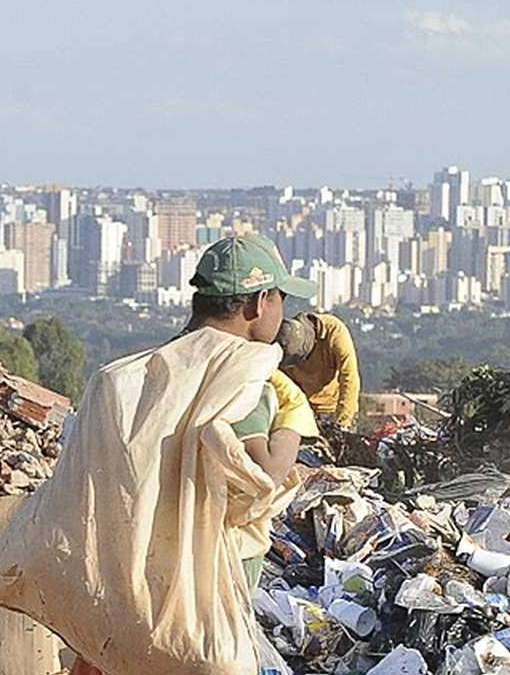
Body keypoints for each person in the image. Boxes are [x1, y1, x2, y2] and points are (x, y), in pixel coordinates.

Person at [70, 234, 318, 675]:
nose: (283, 313)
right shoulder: (240, 378)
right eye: (281, 299)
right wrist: (292, 422)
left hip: (131, 585)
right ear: (259, 303)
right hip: (203, 599)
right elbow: (261, 475)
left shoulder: (143, 373)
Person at [276, 311, 361, 429]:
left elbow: (349, 376)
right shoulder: (285, 340)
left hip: (333, 409)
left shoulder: (335, 331)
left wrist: (343, 422)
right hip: (303, 409)